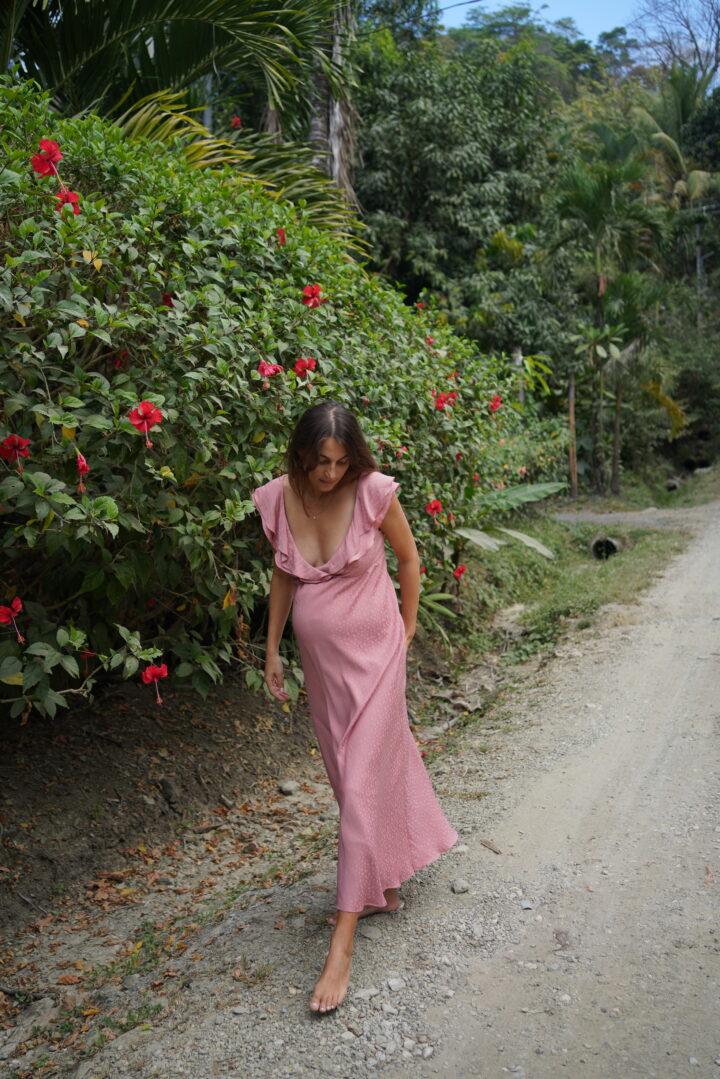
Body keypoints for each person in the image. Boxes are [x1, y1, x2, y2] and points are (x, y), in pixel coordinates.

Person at [252, 400, 457, 1014]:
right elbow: (284, 576)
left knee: (365, 780)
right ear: (301, 454)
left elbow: (410, 558)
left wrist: (409, 627)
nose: (330, 474)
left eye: (341, 462)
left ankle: (341, 947)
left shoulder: (371, 492)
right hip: (324, 670)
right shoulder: (279, 498)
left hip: (377, 656)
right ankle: (379, 888)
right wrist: (271, 651)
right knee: (349, 781)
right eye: (320, 462)